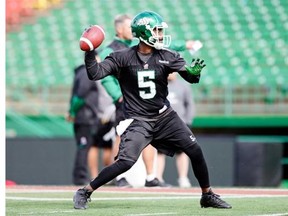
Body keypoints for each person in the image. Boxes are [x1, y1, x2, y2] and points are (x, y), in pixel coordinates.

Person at [73, 10, 232, 209]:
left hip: (165, 116)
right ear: (144, 33)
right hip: (139, 120)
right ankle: (85, 191)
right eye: (156, 30)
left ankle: (207, 194)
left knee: (195, 150)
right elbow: (95, 73)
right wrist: (89, 53)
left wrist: (194, 74)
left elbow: (189, 76)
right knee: (125, 162)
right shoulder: (122, 57)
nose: (160, 34)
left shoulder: (167, 55)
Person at [100, 13, 202, 187]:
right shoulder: (111, 50)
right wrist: (118, 95)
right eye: (127, 26)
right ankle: (118, 177)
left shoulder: (139, 43)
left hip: (145, 100)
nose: (130, 29)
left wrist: (185, 44)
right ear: (119, 29)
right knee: (120, 136)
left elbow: (165, 44)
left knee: (150, 137)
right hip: (127, 99)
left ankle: (151, 176)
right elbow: (106, 78)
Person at [66, 50, 115, 185]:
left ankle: (84, 176)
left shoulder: (81, 72)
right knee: (85, 147)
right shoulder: (86, 73)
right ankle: (80, 177)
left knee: (87, 146)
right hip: (86, 116)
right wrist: (72, 112)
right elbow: (81, 95)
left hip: (87, 116)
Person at [156, 72, 196, 188]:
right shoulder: (159, 84)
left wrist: (188, 121)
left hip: (180, 123)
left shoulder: (184, 86)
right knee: (160, 151)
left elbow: (189, 104)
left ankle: (183, 178)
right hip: (162, 123)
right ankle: (158, 177)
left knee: (182, 151)